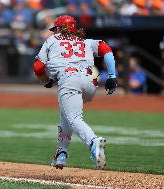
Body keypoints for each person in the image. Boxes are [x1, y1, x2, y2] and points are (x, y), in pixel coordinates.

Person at [33, 15, 117, 170]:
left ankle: (94, 142)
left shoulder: (52, 40)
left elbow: (38, 67)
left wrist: (46, 81)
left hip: (69, 79)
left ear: (58, 28)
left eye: (55, 29)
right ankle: (62, 153)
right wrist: (112, 75)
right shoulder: (84, 42)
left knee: (73, 117)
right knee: (67, 112)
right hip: (90, 81)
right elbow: (106, 48)